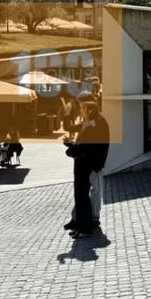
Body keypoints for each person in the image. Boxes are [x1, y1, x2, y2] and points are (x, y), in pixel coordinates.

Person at [64, 93, 111, 238]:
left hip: (92, 164)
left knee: (92, 192)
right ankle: (78, 220)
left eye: (81, 105)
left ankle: (92, 219)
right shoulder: (89, 121)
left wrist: (73, 150)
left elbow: (96, 146)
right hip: (85, 162)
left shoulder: (98, 122)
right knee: (83, 194)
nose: (79, 108)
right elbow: (79, 137)